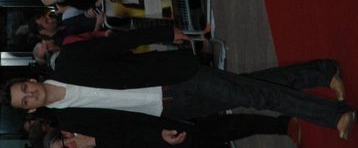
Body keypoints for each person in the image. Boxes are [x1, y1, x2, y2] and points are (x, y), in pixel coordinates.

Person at [1, 27, 356, 140]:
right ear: (30, 110)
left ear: (30, 80)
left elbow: (115, 44)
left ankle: (333, 115)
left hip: (174, 75)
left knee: (256, 96)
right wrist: (160, 134)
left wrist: (161, 33)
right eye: (25, 101)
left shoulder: (69, 61)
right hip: (175, 109)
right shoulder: (71, 121)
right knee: (252, 87)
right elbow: (121, 130)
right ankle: (323, 72)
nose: (30, 95)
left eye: (24, 89)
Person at [42, 108, 301, 148]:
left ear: (65, 134)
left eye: (63, 144)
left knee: (225, 128)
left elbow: (130, 128)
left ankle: (281, 125)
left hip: (163, 129)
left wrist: (94, 141)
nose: (70, 147)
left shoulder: (89, 124)